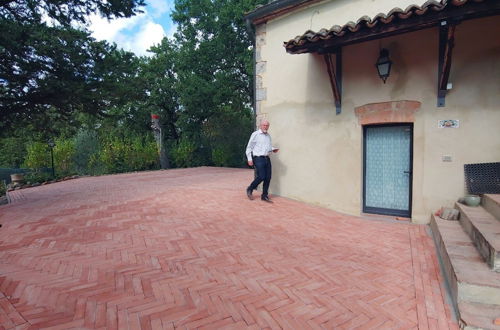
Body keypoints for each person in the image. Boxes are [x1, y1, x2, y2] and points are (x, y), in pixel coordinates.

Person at [245, 120, 279, 202]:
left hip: (267, 158)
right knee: (262, 176)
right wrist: (249, 159)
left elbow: (268, 147)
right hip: (258, 158)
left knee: (268, 177)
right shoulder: (255, 134)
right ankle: (250, 188)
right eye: (264, 125)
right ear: (260, 126)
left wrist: (273, 149)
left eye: (267, 125)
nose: (265, 127)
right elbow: (249, 147)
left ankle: (264, 195)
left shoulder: (268, 136)